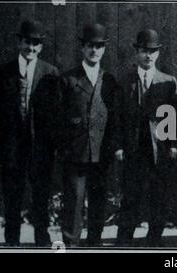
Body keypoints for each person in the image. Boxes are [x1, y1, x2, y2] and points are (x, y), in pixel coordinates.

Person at [0, 20, 59, 247]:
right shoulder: (2, 74)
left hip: (39, 149)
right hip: (12, 148)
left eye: (36, 44)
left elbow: (53, 114)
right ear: (20, 42)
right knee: (13, 199)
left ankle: (42, 241)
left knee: (40, 198)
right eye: (27, 42)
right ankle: (12, 242)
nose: (31, 48)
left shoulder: (50, 73)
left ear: (41, 47)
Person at [57, 23, 121, 247]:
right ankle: (71, 243)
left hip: (101, 152)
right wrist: (66, 146)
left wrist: (113, 147)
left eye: (99, 46)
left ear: (104, 49)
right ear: (82, 49)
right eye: (90, 46)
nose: (94, 51)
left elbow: (115, 119)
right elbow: (58, 119)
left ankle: (94, 243)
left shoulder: (110, 80)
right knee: (74, 201)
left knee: (98, 200)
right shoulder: (68, 79)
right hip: (76, 152)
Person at [115, 29, 177, 247]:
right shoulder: (125, 82)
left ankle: (154, 242)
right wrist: (118, 147)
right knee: (130, 197)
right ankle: (123, 242)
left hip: (159, 150)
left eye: (153, 51)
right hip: (133, 149)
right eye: (144, 51)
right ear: (136, 52)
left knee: (158, 198)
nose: (148, 56)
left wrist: (174, 146)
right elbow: (117, 117)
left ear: (158, 54)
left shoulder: (168, 82)